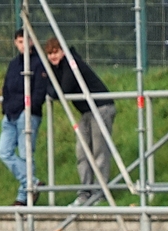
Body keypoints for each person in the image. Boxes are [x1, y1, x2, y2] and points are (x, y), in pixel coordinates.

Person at [44, 37, 115, 206]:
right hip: (86, 111)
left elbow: (64, 89)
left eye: (56, 52)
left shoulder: (71, 63)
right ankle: (84, 192)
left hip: (101, 107)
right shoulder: (56, 68)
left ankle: (100, 192)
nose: (53, 56)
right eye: (50, 53)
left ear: (63, 51)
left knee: (99, 151)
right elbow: (49, 86)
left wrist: (52, 90)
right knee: (82, 152)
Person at [0, 29, 48, 206]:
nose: (23, 45)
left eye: (26, 41)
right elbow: (6, 87)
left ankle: (23, 196)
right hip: (10, 114)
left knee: (26, 154)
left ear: (32, 42)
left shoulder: (39, 62)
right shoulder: (14, 64)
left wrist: (30, 108)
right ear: (15, 43)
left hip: (27, 113)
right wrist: (5, 108)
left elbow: (40, 89)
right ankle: (32, 182)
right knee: (3, 152)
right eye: (20, 41)